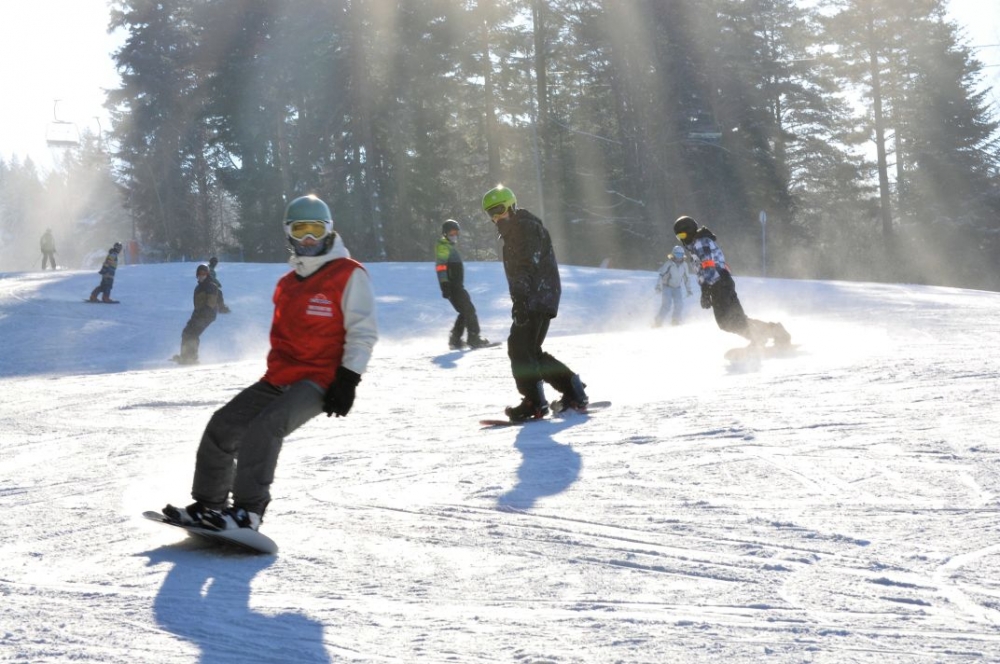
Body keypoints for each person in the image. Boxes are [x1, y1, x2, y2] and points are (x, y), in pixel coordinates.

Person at [162, 194, 378, 532]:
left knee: (266, 426)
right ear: (288, 233)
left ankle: (247, 512)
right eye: (301, 229)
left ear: (329, 232)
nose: (309, 239)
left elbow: (362, 332)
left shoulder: (349, 275)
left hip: (321, 380)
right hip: (280, 377)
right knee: (222, 425)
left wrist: (348, 379)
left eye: (316, 230)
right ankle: (209, 504)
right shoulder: (287, 285)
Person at [482, 184, 588, 421]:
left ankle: (534, 402)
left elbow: (525, 265)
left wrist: (520, 300)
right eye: (491, 213)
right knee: (530, 351)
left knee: (519, 348)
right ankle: (572, 389)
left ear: (511, 205)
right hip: (539, 295)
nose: (496, 216)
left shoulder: (524, 229)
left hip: (535, 296)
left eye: (499, 209)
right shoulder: (517, 230)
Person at [673, 215, 790, 347]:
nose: (682, 240)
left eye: (683, 236)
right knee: (733, 320)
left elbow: (708, 265)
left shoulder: (701, 242)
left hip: (719, 283)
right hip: (719, 283)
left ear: (690, 231)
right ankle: (775, 331)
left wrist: (706, 288)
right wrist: (704, 288)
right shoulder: (695, 245)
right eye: (679, 238)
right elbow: (701, 270)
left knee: (728, 321)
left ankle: (759, 337)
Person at [436, 219, 491, 349]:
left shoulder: (448, 246)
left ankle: (455, 339)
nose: (454, 235)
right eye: (452, 232)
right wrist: (445, 285)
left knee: (464, 312)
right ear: (445, 233)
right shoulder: (443, 246)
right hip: (453, 287)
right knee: (469, 310)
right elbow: (441, 267)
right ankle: (473, 338)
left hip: (456, 286)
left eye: (456, 232)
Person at [172, 264, 220, 365]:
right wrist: (194, 317)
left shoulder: (211, 286)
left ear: (207, 275)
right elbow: (197, 306)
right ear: (197, 275)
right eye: (199, 274)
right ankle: (184, 356)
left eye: (204, 274)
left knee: (193, 333)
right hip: (199, 314)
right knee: (186, 332)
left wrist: (201, 315)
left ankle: (192, 358)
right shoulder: (198, 288)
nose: (201, 276)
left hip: (208, 314)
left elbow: (210, 303)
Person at [654, 245, 693, 327]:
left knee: (679, 305)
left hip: (677, 288)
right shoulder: (669, 264)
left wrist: (688, 289)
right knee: (666, 305)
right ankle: (658, 322)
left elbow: (686, 278)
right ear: (673, 254)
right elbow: (661, 275)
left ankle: (675, 321)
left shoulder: (684, 265)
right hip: (667, 287)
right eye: (677, 255)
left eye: (681, 255)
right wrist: (658, 286)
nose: (679, 257)